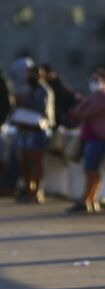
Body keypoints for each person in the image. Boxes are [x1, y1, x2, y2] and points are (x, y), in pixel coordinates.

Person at [69, 68, 105, 213]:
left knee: (91, 171)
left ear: (104, 80)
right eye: (91, 79)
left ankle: (88, 200)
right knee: (91, 170)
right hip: (94, 138)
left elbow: (84, 112)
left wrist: (77, 110)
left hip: (98, 139)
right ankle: (89, 200)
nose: (92, 82)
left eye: (96, 79)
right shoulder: (99, 95)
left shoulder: (102, 95)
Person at [10, 58, 55, 203]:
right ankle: (29, 189)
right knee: (25, 162)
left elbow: (43, 110)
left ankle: (37, 191)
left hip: (38, 131)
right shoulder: (29, 89)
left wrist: (24, 102)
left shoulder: (44, 90)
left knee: (36, 162)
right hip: (24, 130)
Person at [40, 64, 82, 129]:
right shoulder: (56, 82)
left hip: (65, 115)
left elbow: (58, 102)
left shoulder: (55, 84)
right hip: (63, 115)